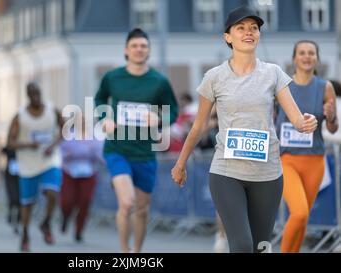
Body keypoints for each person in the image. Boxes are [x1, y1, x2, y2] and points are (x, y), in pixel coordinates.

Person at [171, 6, 318, 253]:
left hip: (268, 174)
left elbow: (295, 118)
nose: (248, 32)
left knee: (261, 247)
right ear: (228, 37)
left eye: (253, 28)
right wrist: (180, 163)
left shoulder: (273, 73)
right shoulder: (214, 77)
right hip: (227, 172)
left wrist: (306, 122)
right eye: (241, 28)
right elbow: (198, 125)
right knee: (241, 245)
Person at [94, 28, 178, 253]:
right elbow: (100, 98)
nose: (139, 50)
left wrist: (159, 118)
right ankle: (124, 252)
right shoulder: (113, 77)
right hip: (117, 148)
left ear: (148, 50)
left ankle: (136, 252)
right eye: (134, 46)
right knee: (127, 202)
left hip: (145, 152)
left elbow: (173, 110)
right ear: (126, 50)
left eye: (143, 46)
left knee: (141, 209)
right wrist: (105, 118)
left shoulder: (159, 81)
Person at [275, 40, 338, 253]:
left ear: (317, 58)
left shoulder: (325, 87)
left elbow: (332, 127)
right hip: (287, 160)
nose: (307, 56)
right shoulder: (281, 85)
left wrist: (331, 117)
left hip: (314, 161)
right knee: (299, 212)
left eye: (311, 53)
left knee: (302, 219)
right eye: (302, 53)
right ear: (294, 58)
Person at [7, 82, 64, 252]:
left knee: (53, 193)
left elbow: (65, 128)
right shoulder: (20, 116)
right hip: (27, 164)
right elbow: (9, 142)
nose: (36, 96)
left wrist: (53, 145)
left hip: (49, 160)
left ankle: (46, 223)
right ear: (28, 95)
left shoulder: (52, 110)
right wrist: (27, 145)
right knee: (27, 204)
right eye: (32, 94)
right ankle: (25, 234)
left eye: (38, 93)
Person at [59, 115, 103, 242]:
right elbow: (59, 153)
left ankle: (79, 230)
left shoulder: (94, 136)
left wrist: (94, 152)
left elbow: (102, 155)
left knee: (85, 201)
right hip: (69, 171)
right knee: (67, 201)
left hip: (88, 172)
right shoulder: (68, 135)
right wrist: (70, 154)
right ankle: (65, 217)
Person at [1, 145, 20, 234]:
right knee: (13, 197)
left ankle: (18, 220)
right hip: (10, 176)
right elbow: (1, 151)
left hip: (22, 175)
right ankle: (10, 213)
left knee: (20, 199)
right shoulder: (10, 147)